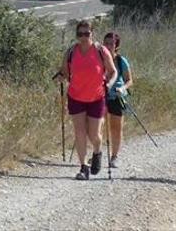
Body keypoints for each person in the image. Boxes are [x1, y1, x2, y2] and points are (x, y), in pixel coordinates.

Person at [57, 20, 117, 180]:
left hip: (97, 97)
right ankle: (83, 167)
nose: (83, 37)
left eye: (86, 33)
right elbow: (65, 71)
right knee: (79, 132)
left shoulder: (101, 51)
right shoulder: (71, 52)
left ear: (92, 34)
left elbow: (113, 71)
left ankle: (97, 151)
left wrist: (109, 84)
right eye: (80, 34)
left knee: (94, 135)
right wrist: (60, 77)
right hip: (76, 96)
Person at [103, 32, 132, 169]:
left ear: (116, 46)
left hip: (117, 97)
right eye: (106, 43)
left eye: (111, 44)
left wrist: (123, 89)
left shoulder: (121, 61)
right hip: (100, 96)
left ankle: (114, 157)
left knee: (116, 128)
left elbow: (129, 80)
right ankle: (97, 154)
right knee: (96, 127)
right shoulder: (99, 59)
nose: (108, 46)